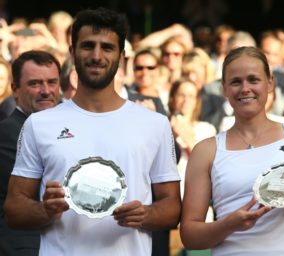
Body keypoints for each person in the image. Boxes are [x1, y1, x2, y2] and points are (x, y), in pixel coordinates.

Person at [4, 7, 181, 256]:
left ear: (121, 56)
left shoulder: (155, 124)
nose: (96, 55)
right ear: (72, 52)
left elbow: (172, 207)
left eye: (107, 47)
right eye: (87, 46)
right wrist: (45, 210)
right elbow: (14, 209)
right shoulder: (39, 124)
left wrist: (146, 213)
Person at [180, 46, 284, 255]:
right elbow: (189, 236)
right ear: (223, 88)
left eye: (253, 80)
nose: (245, 88)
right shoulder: (206, 150)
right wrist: (229, 224)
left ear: (270, 83)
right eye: (236, 82)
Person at [0, 50, 61, 256]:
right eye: (35, 84)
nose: (46, 91)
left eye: (52, 82)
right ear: (15, 90)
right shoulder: (7, 133)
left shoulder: (64, 130)